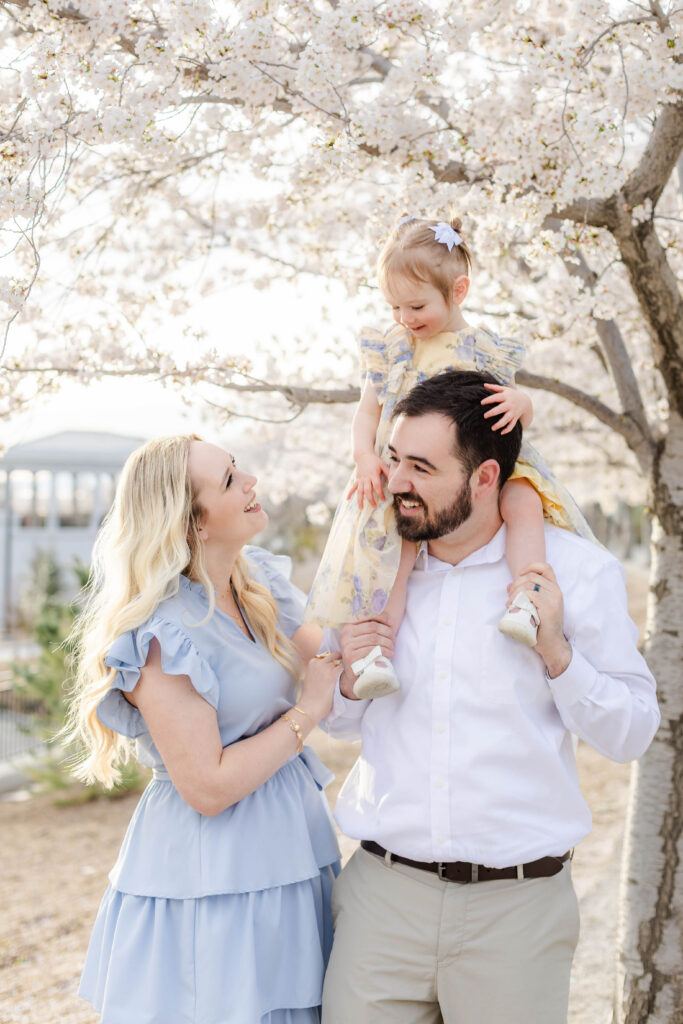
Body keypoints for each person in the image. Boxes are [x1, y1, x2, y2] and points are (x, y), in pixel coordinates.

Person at [320, 370, 659, 1024]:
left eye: (420, 466)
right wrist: (343, 676)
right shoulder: (370, 567)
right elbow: (337, 722)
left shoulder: (575, 574)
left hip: (517, 915)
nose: (395, 483)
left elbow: (630, 734)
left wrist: (556, 652)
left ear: (483, 479)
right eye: (392, 459)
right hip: (380, 906)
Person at [67, 434, 341, 1024]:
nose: (251, 483)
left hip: (291, 848)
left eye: (238, 469)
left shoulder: (256, 584)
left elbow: (336, 659)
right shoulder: (163, 634)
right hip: (214, 878)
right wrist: (307, 713)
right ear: (193, 522)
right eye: (228, 481)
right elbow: (208, 787)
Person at [305, 215, 596, 700]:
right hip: (409, 471)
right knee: (394, 553)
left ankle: (527, 595)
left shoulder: (482, 348)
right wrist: (363, 456)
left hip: (479, 460)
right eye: (394, 305)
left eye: (416, 305)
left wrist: (522, 406)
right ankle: (378, 650)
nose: (404, 317)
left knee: (522, 501)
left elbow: (513, 401)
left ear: (458, 291)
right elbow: (366, 412)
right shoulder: (393, 350)